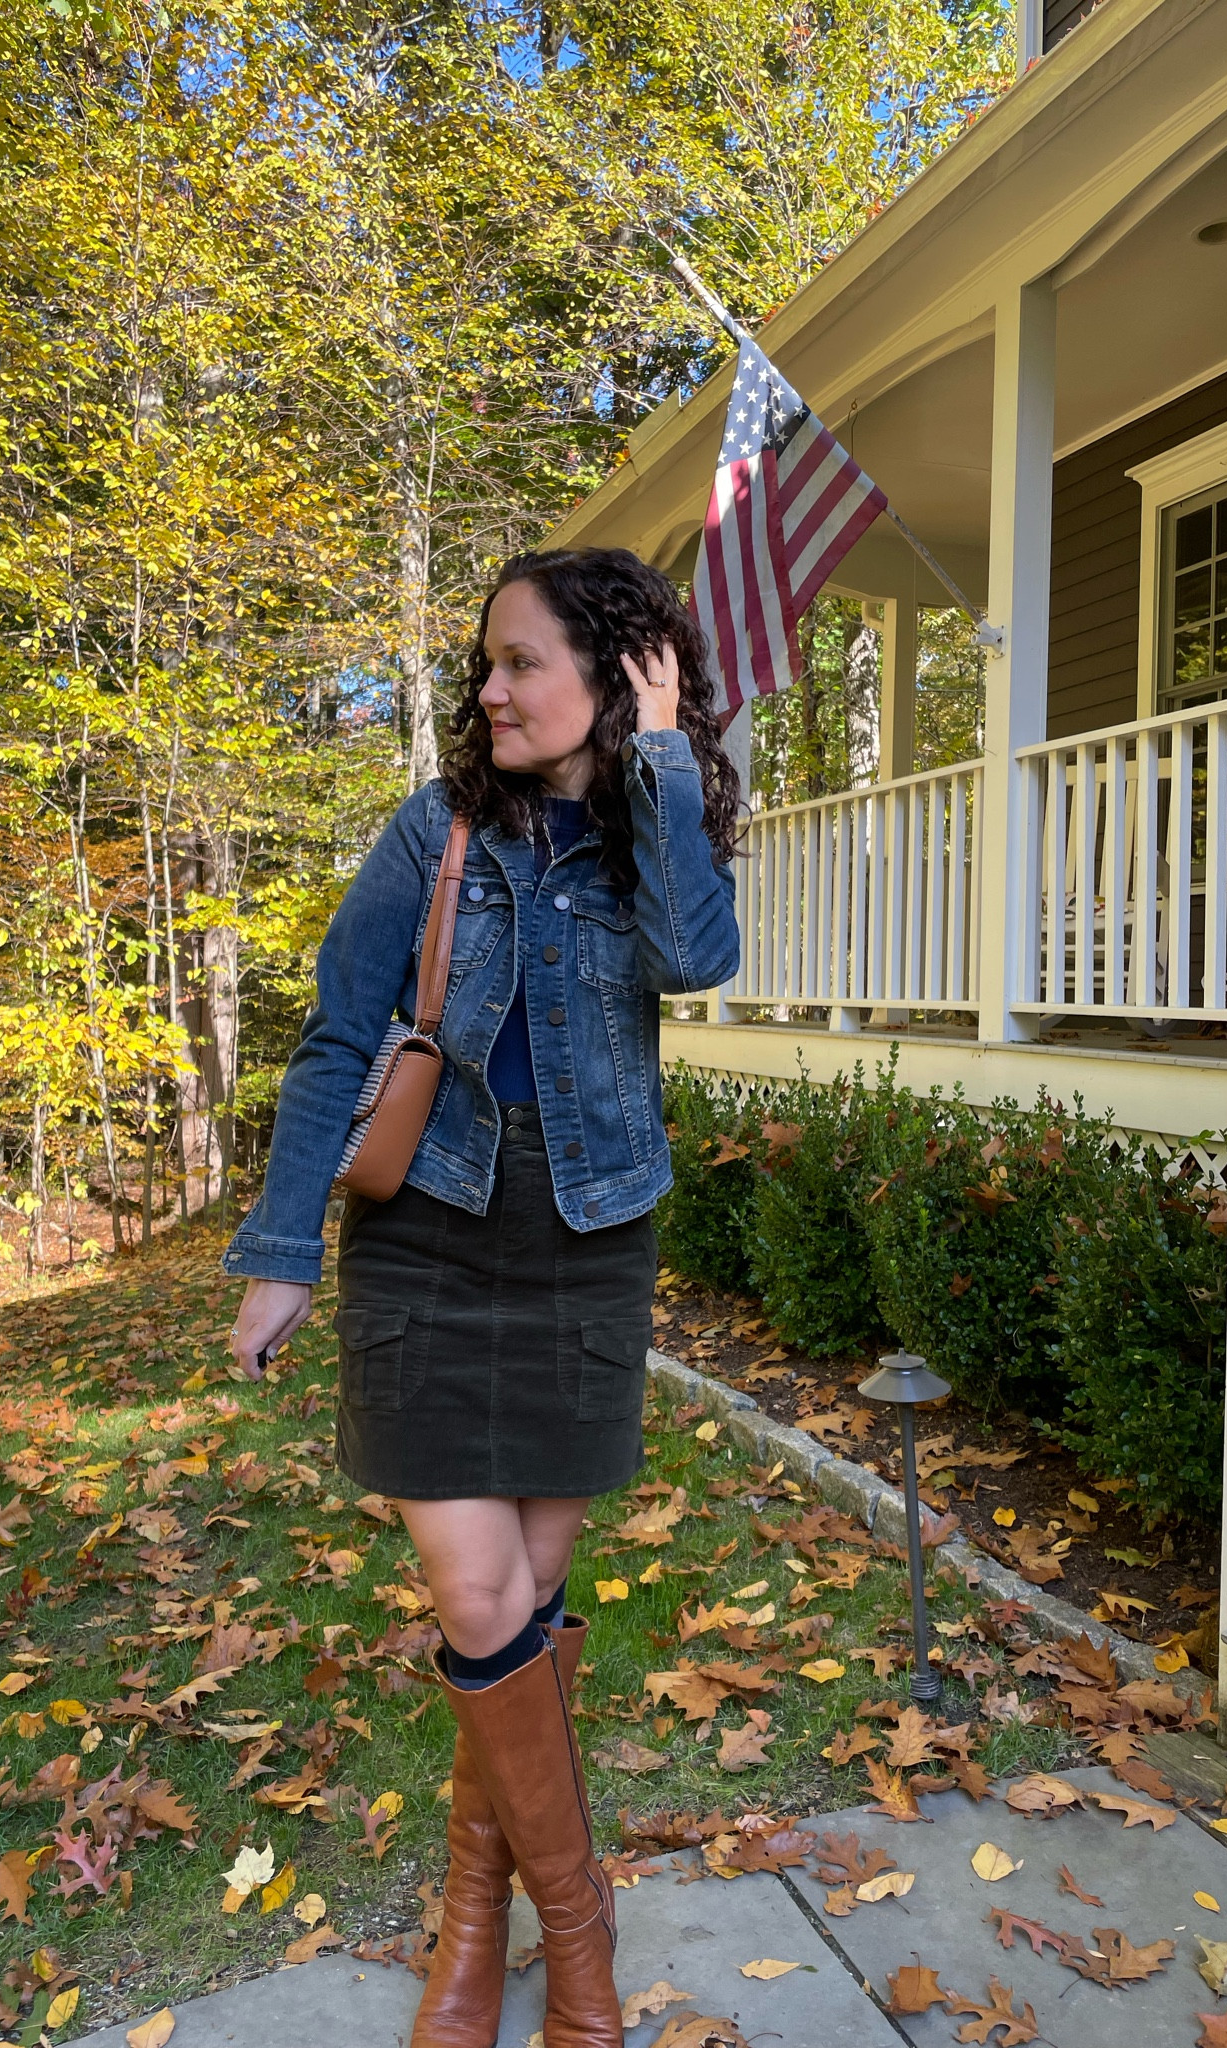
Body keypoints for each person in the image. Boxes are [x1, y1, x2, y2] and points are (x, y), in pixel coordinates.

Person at [225, 546, 740, 2048]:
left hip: (589, 1249)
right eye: (487, 663)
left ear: (618, 675)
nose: (490, 688)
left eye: (523, 661)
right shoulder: (433, 830)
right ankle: (574, 1950)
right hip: (431, 1238)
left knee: (521, 1613)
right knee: (476, 1594)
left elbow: (696, 960)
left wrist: (653, 762)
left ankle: (472, 1935)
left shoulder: (664, 832)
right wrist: (274, 1251)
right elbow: (336, 1044)